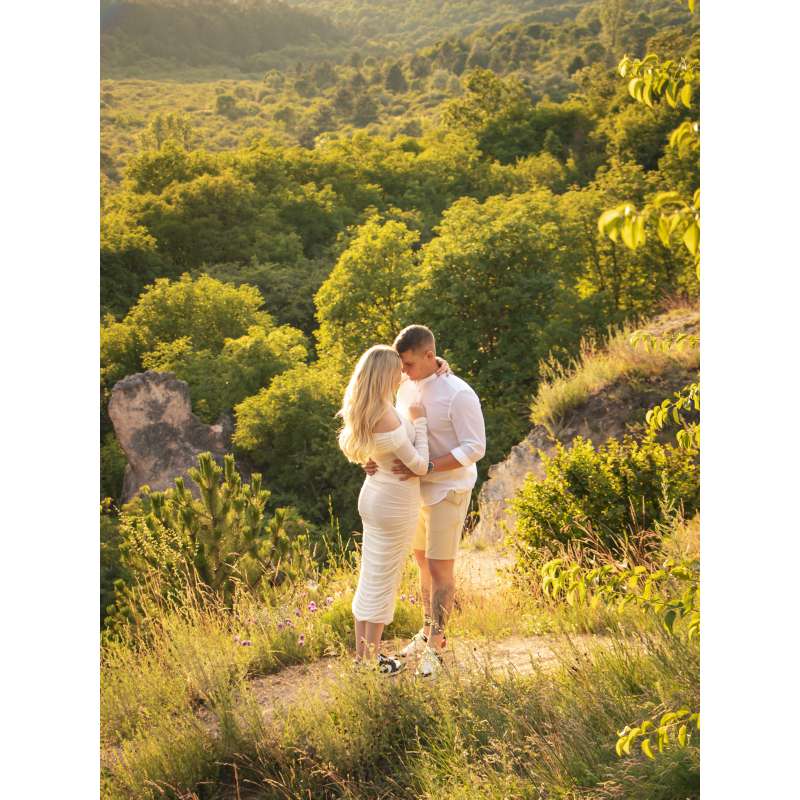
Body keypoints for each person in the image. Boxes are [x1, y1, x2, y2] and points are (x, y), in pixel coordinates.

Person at [365, 325, 486, 678]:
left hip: (449, 489)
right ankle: (426, 629)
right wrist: (373, 457)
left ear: (430, 356)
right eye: (400, 365)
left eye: (408, 364)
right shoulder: (404, 385)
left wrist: (429, 466)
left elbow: (475, 448)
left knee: (439, 568)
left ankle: (436, 644)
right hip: (414, 491)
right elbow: (393, 430)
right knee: (421, 562)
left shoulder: (459, 394)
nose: (402, 371)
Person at [337, 345, 430, 675]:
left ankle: (363, 658)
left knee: (370, 577)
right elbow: (420, 466)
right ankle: (372, 660)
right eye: (397, 370)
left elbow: (352, 444)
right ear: (385, 374)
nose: (402, 374)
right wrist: (420, 423)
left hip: (374, 495)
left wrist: (371, 457)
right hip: (394, 503)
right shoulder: (388, 417)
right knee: (383, 582)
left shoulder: (365, 407)